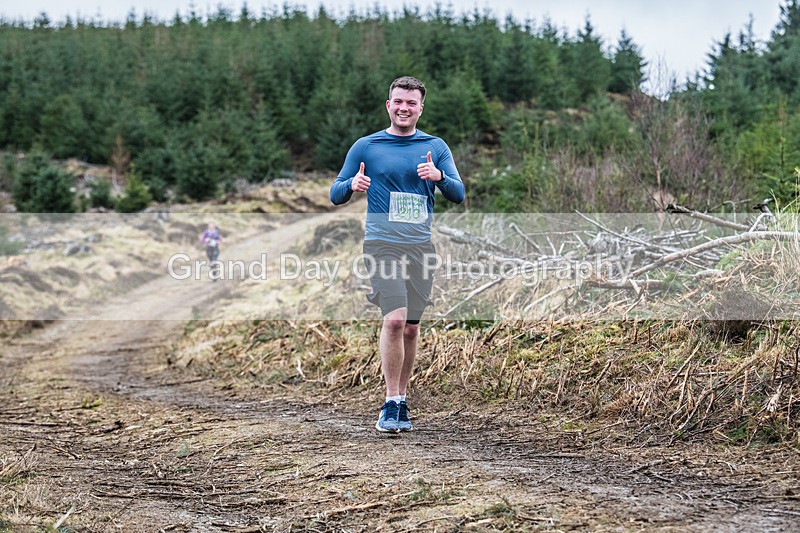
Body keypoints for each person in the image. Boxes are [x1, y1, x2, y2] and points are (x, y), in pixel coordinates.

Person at [330, 76, 465, 433]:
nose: (404, 108)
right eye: (398, 101)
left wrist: (439, 176)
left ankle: (402, 400)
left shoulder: (435, 146)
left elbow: (459, 192)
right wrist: (351, 186)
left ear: (421, 108)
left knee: (410, 328)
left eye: (411, 103)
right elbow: (334, 192)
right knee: (393, 320)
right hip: (381, 244)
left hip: (420, 247)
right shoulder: (366, 146)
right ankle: (390, 403)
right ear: (388, 105)